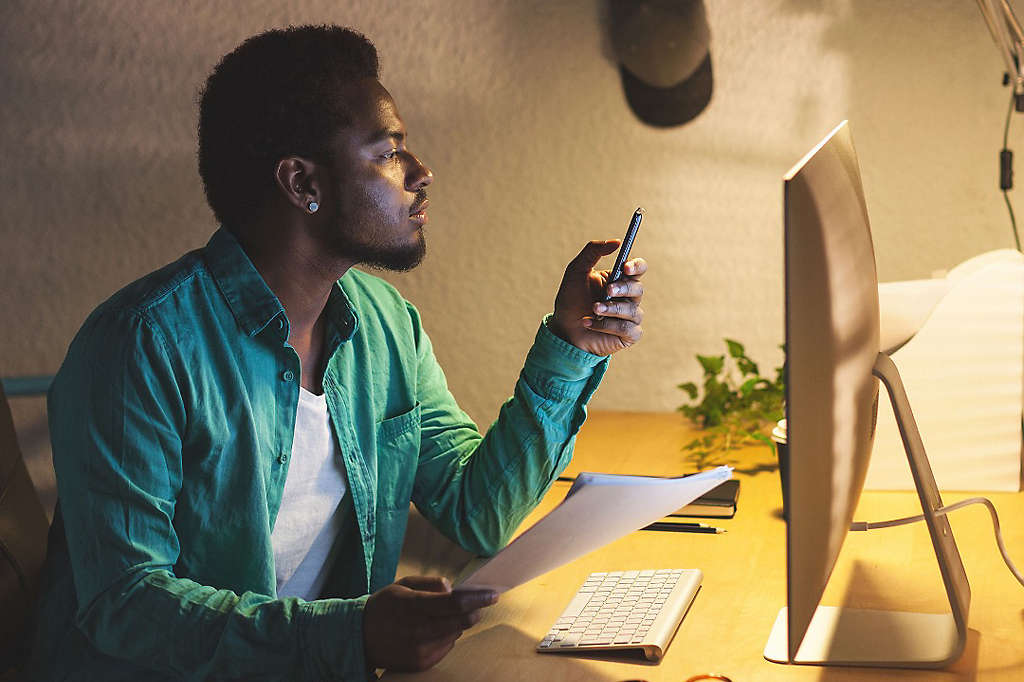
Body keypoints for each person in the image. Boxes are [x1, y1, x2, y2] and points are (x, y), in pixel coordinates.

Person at [31, 25, 647, 681]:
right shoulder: (139, 345)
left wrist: (570, 349)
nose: (421, 173)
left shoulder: (387, 326)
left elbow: (478, 513)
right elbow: (125, 605)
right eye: (388, 153)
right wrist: (349, 635)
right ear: (302, 183)